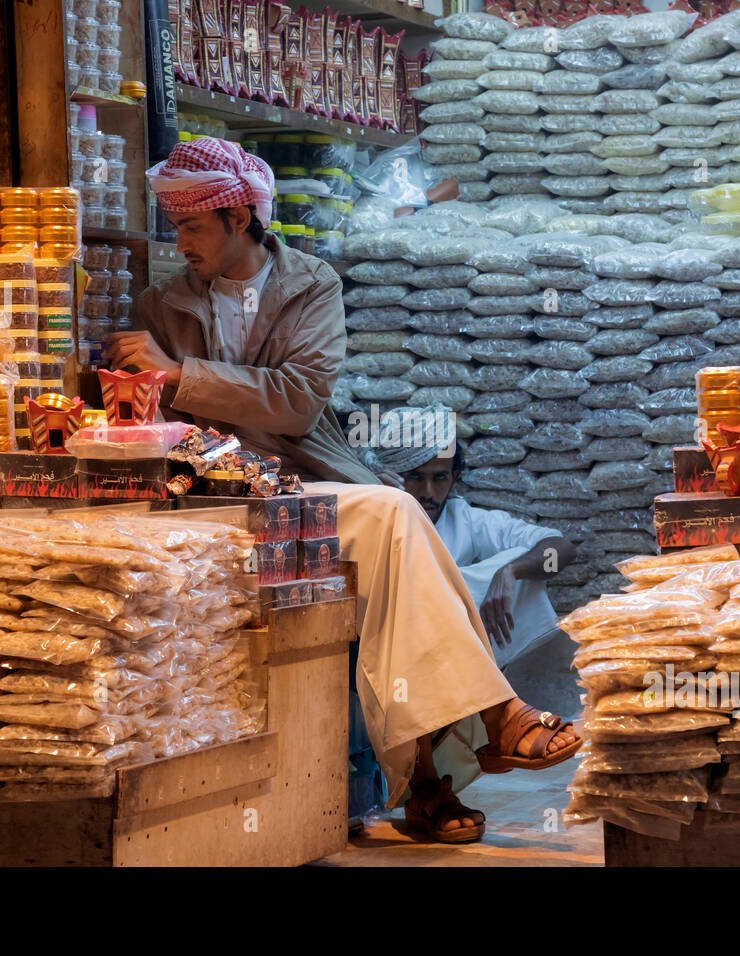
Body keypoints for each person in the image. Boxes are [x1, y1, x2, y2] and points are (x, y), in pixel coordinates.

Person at [104, 138, 580, 843]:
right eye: (176, 227)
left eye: (194, 226)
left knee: (396, 533)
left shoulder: (311, 285)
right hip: (218, 496)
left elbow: (297, 401)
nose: (182, 244)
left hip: (303, 481)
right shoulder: (160, 302)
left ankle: (431, 776)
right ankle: (480, 729)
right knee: (396, 516)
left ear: (240, 218)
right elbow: (147, 417)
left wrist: (179, 374)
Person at [373, 404, 578, 671]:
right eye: (415, 477)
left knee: (518, 557)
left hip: (450, 661)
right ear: (392, 477)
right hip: (389, 656)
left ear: (455, 477)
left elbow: (561, 549)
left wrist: (511, 571)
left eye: (440, 478)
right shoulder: (373, 515)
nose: (428, 492)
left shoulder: (463, 519)